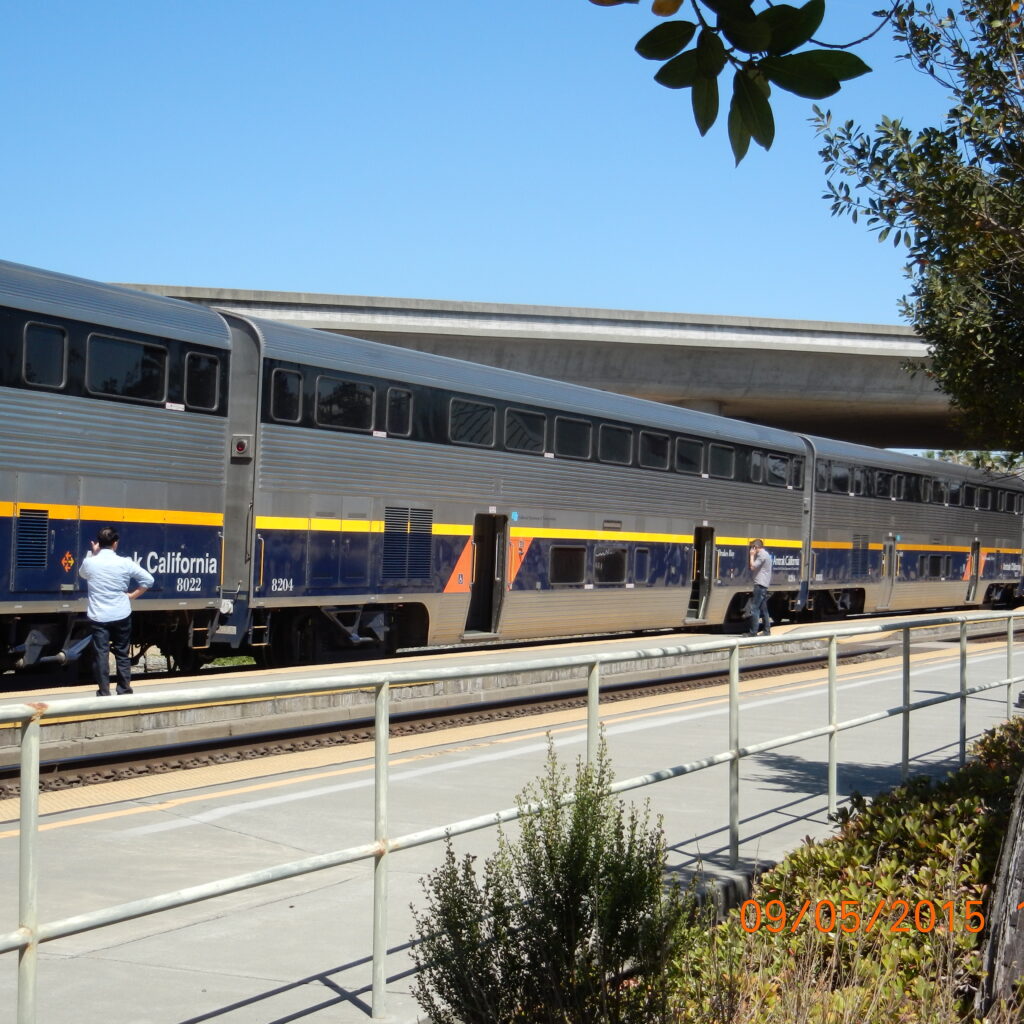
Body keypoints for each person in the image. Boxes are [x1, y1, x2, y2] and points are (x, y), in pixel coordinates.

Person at [79, 527, 154, 696]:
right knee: (122, 653)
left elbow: (83, 574)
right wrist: (133, 595)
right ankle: (124, 689)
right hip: (121, 613)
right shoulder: (125, 562)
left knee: (101, 654)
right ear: (115, 543)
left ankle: (104, 692)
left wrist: (93, 554)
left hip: (98, 616)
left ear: (98, 544)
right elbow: (148, 580)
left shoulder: (90, 562)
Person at [744, 539, 773, 637]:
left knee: (754, 608)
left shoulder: (762, 555)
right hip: (763, 584)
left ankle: (753, 632)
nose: (752, 549)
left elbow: (753, 566)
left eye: (752, 547)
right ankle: (767, 630)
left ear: (755, 547)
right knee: (763, 609)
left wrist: (751, 555)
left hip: (760, 584)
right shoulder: (766, 554)